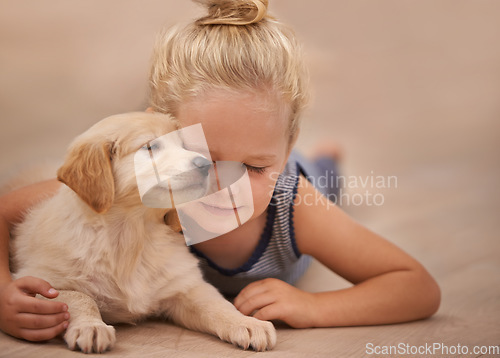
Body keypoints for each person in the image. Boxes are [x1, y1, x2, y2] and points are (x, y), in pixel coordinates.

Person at [0, 0, 440, 343]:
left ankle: (322, 157)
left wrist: (312, 307)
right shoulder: (138, 189)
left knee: (323, 179)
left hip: (301, 179)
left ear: (283, 148)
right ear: (160, 136)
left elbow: (415, 286)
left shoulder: (295, 206)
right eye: (202, 158)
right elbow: (6, 210)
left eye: (252, 166)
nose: (224, 184)